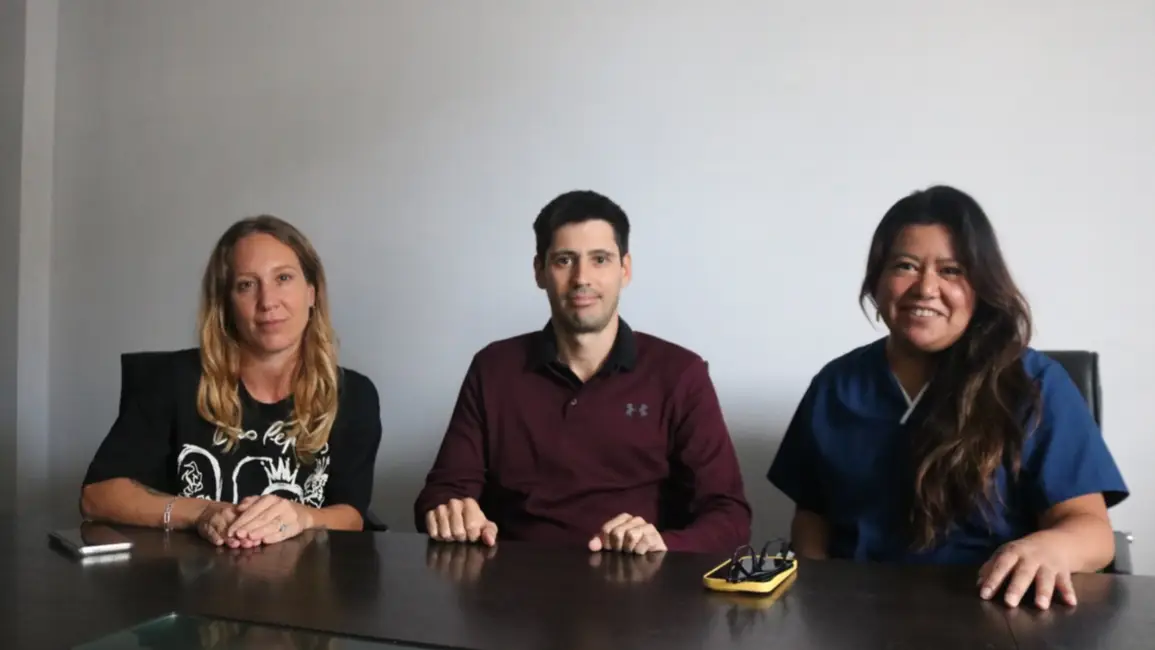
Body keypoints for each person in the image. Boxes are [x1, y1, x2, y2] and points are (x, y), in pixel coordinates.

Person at [767, 185, 1128, 609]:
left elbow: (1092, 532)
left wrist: (1052, 548)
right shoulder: (835, 384)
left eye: (951, 270)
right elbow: (812, 516)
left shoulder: (1033, 383)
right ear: (877, 281)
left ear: (982, 286)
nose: (925, 287)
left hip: (991, 610)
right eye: (905, 266)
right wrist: (817, 587)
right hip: (855, 612)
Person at [414, 190, 751, 555]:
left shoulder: (680, 373)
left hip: (638, 580)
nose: (581, 278)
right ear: (539, 271)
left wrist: (664, 544)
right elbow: (442, 492)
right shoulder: (493, 368)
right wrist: (450, 512)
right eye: (564, 260)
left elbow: (730, 517)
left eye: (600, 259)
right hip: (512, 578)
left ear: (625, 270)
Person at [81, 215, 383, 548]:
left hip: (303, 579)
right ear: (226, 304)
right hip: (187, 578)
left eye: (283, 278)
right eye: (246, 285)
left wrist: (304, 517)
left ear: (312, 292)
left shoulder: (354, 395)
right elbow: (97, 496)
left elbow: (352, 516)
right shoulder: (172, 380)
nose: (268, 302)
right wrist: (202, 512)